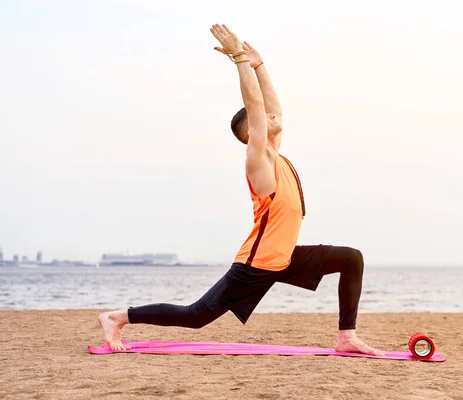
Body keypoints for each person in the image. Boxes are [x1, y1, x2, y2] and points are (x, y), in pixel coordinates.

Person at [98, 23, 383, 356]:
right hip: (257, 263)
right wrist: (239, 60)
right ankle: (118, 317)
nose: (272, 115)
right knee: (196, 316)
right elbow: (258, 108)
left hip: (284, 257)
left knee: (351, 259)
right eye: (263, 116)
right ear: (252, 129)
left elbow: (272, 108)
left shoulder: (276, 154)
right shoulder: (258, 160)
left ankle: (347, 338)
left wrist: (259, 65)